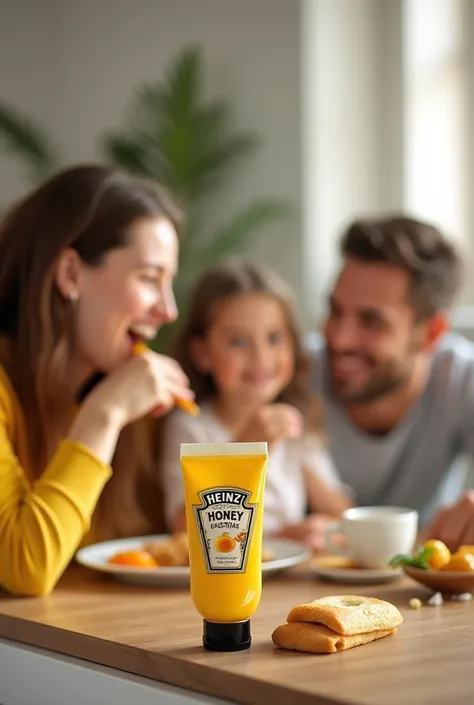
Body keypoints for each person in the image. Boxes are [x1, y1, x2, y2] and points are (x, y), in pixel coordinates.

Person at [0, 164, 193, 596]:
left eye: (170, 282)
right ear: (70, 274)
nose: (168, 310)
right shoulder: (109, 404)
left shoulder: (119, 395)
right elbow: (26, 567)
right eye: (149, 278)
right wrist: (105, 415)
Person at [160, 259, 352, 550]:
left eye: (274, 338)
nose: (261, 358)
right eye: (238, 342)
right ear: (202, 354)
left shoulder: (294, 424)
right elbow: (185, 531)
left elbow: (343, 515)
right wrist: (243, 451)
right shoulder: (190, 428)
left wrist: (328, 528)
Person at [311, 215, 474, 549]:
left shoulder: (462, 379)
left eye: (371, 321)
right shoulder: (286, 372)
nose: (340, 339)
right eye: (335, 310)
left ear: (431, 333)